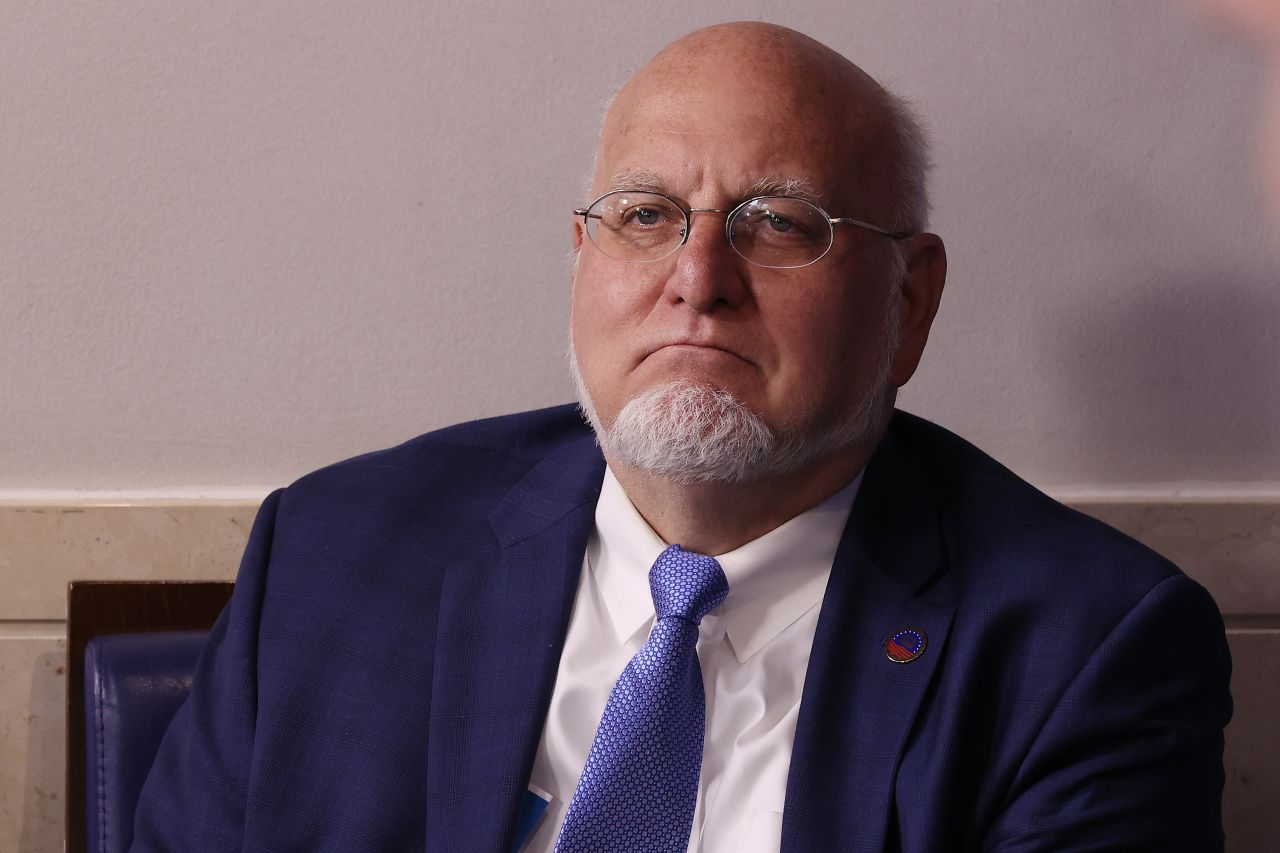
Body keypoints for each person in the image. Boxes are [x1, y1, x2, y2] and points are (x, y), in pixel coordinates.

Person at [130, 21, 1232, 853]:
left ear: (907, 300)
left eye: (779, 224)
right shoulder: (333, 553)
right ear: (580, 257)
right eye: (646, 216)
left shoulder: (1086, 648)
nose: (696, 283)